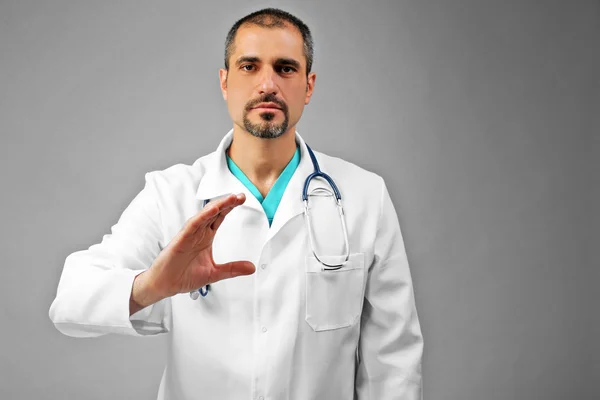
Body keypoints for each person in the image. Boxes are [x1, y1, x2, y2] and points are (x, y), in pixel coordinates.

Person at [49, 7, 424, 400]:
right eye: (249, 66)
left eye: (285, 68)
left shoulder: (364, 195)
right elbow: (69, 303)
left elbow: (393, 361)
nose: (268, 84)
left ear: (309, 86)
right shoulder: (171, 194)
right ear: (225, 82)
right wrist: (150, 286)